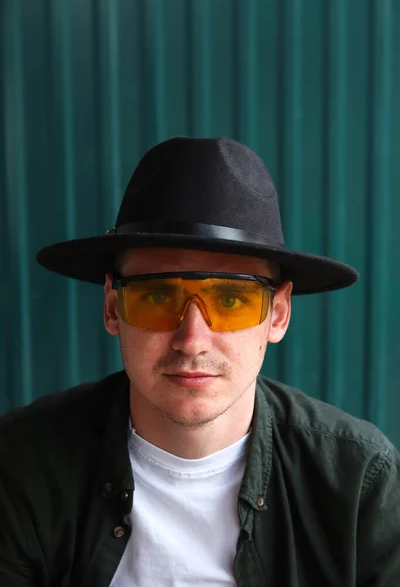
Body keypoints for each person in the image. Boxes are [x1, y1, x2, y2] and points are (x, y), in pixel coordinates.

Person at [0, 137, 399, 587]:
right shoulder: (21, 466)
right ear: (112, 307)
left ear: (278, 314)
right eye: (156, 296)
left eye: (231, 299)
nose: (192, 341)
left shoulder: (357, 481)